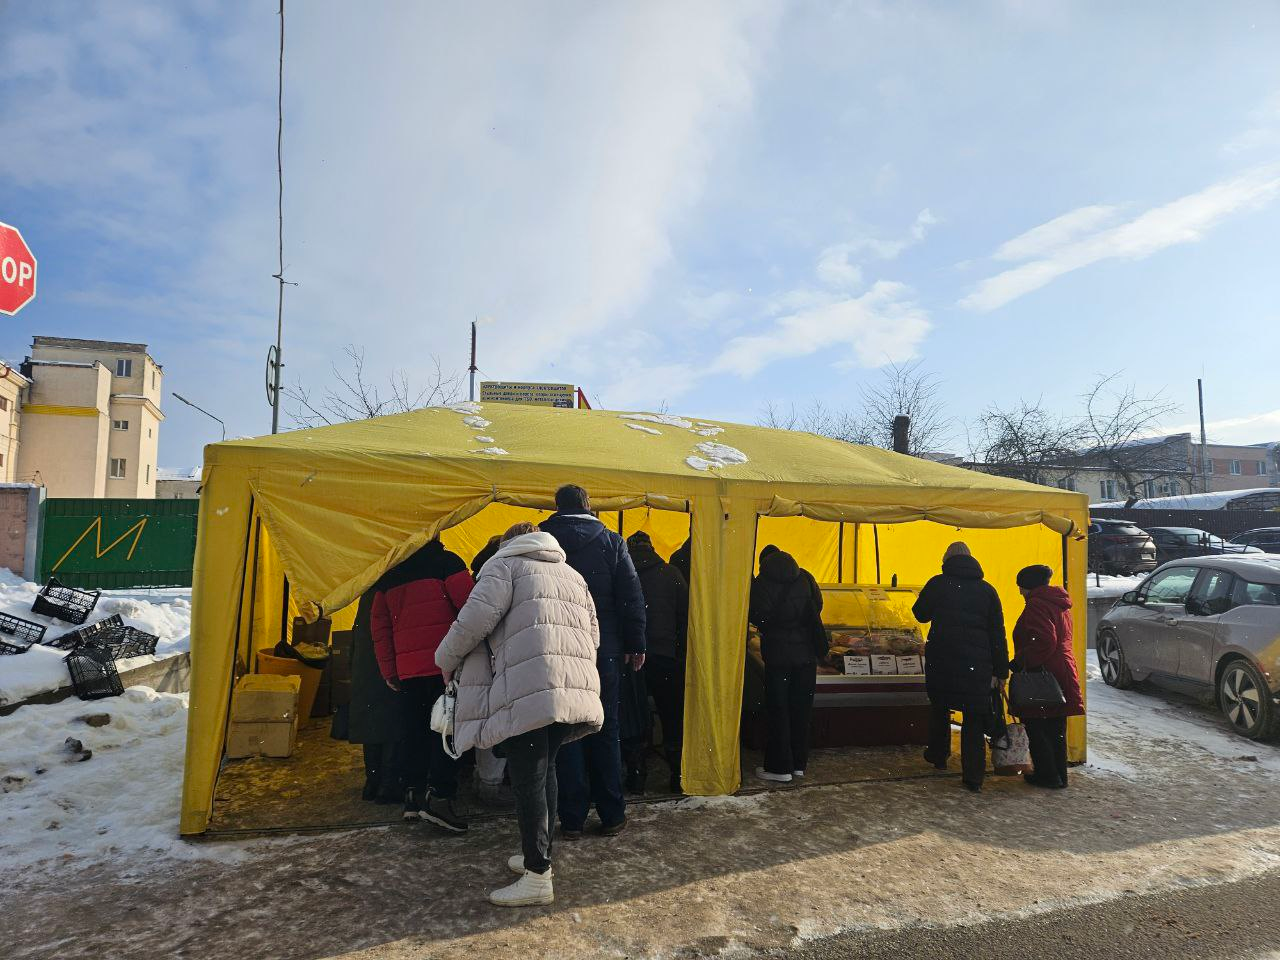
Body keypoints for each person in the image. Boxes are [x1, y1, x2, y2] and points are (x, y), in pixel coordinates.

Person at [435, 522, 603, 907]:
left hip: (528, 688)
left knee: (529, 780)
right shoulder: (572, 574)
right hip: (570, 688)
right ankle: (540, 857)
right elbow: (594, 634)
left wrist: (444, 659)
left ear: (507, 542)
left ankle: (537, 876)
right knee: (546, 774)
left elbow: (472, 622)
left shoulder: (504, 565)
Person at [540, 484, 647, 838]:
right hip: (606, 652)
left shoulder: (542, 539)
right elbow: (630, 596)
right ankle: (612, 813)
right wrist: (635, 643)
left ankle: (571, 819)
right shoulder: (612, 541)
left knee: (567, 731)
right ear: (588, 506)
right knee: (606, 727)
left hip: (558, 649)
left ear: (557, 507)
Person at [371, 537, 474, 831]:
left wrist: (390, 672)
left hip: (407, 672)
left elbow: (380, 629)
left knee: (413, 733)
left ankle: (413, 797)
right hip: (445, 668)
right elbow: (470, 610)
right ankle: (440, 797)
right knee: (446, 732)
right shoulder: (449, 564)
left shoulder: (389, 573)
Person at [912, 542, 1008, 792]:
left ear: (945, 560)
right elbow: (998, 633)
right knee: (974, 720)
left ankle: (938, 756)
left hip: (943, 659)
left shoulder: (938, 583)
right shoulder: (987, 590)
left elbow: (920, 614)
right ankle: (974, 777)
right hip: (977, 665)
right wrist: (1000, 671)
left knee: (940, 708)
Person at [748, 544, 823, 784]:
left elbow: (756, 615)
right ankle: (799, 764)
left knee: (779, 709)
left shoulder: (761, 583)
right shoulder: (806, 577)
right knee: (802, 708)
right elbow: (817, 606)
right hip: (806, 655)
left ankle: (780, 767)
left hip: (779, 656)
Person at [1011, 564, 1084, 789]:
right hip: (1061, 669)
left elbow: (1044, 640)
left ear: (1029, 586)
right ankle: (1060, 774)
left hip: (1042, 673)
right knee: (1055, 727)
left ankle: (1047, 775)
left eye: (1021, 587)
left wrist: (1021, 661)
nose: (1020, 592)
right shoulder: (1059, 603)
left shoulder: (1036, 605)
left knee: (1037, 724)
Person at [627, 530, 690, 793]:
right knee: (672, 716)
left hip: (632, 659)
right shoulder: (671, 573)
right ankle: (677, 775)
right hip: (666, 658)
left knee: (635, 716)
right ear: (651, 548)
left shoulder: (623, 574)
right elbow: (686, 616)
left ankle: (637, 776)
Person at [331, 586, 406, 804]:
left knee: (372, 723)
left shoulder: (369, 589)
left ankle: (372, 782)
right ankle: (389, 785)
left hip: (365, 665)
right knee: (392, 723)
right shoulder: (394, 586)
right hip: (387, 663)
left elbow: (356, 634)